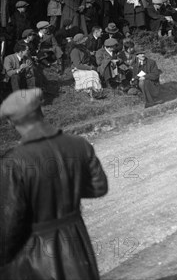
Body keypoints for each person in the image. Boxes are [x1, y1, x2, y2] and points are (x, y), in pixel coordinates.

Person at [0, 88, 108, 279]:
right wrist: (67, 186)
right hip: (77, 240)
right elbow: (99, 187)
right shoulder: (79, 144)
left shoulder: (14, 161)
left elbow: (10, 222)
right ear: (41, 110)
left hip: (36, 252)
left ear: (11, 122)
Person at [69, 33, 103, 98]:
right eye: (83, 41)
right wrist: (90, 67)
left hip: (86, 66)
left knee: (94, 73)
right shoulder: (75, 51)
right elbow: (78, 65)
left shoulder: (84, 48)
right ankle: (88, 90)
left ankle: (95, 90)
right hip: (77, 69)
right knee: (89, 75)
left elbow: (87, 55)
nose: (85, 42)